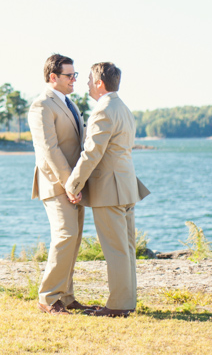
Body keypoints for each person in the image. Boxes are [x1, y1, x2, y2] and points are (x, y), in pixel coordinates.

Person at [65, 62, 150, 317]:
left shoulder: (103, 111)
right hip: (126, 185)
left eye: (90, 80)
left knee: (115, 249)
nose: (87, 84)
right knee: (125, 248)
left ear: (100, 83)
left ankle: (118, 305)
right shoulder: (123, 108)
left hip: (109, 188)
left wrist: (73, 184)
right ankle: (127, 301)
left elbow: (92, 153)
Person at [28, 54, 99, 315]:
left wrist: (78, 182)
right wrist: (69, 183)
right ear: (52, 77)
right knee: (65, 236)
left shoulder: (68, 103)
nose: (74, 80)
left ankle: (66, 297)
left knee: (74, 239)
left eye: (75, 75)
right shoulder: (41, 106)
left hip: (74, 184)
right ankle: (48, 298)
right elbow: (49, 149)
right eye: (69, 75)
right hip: (57, 184)